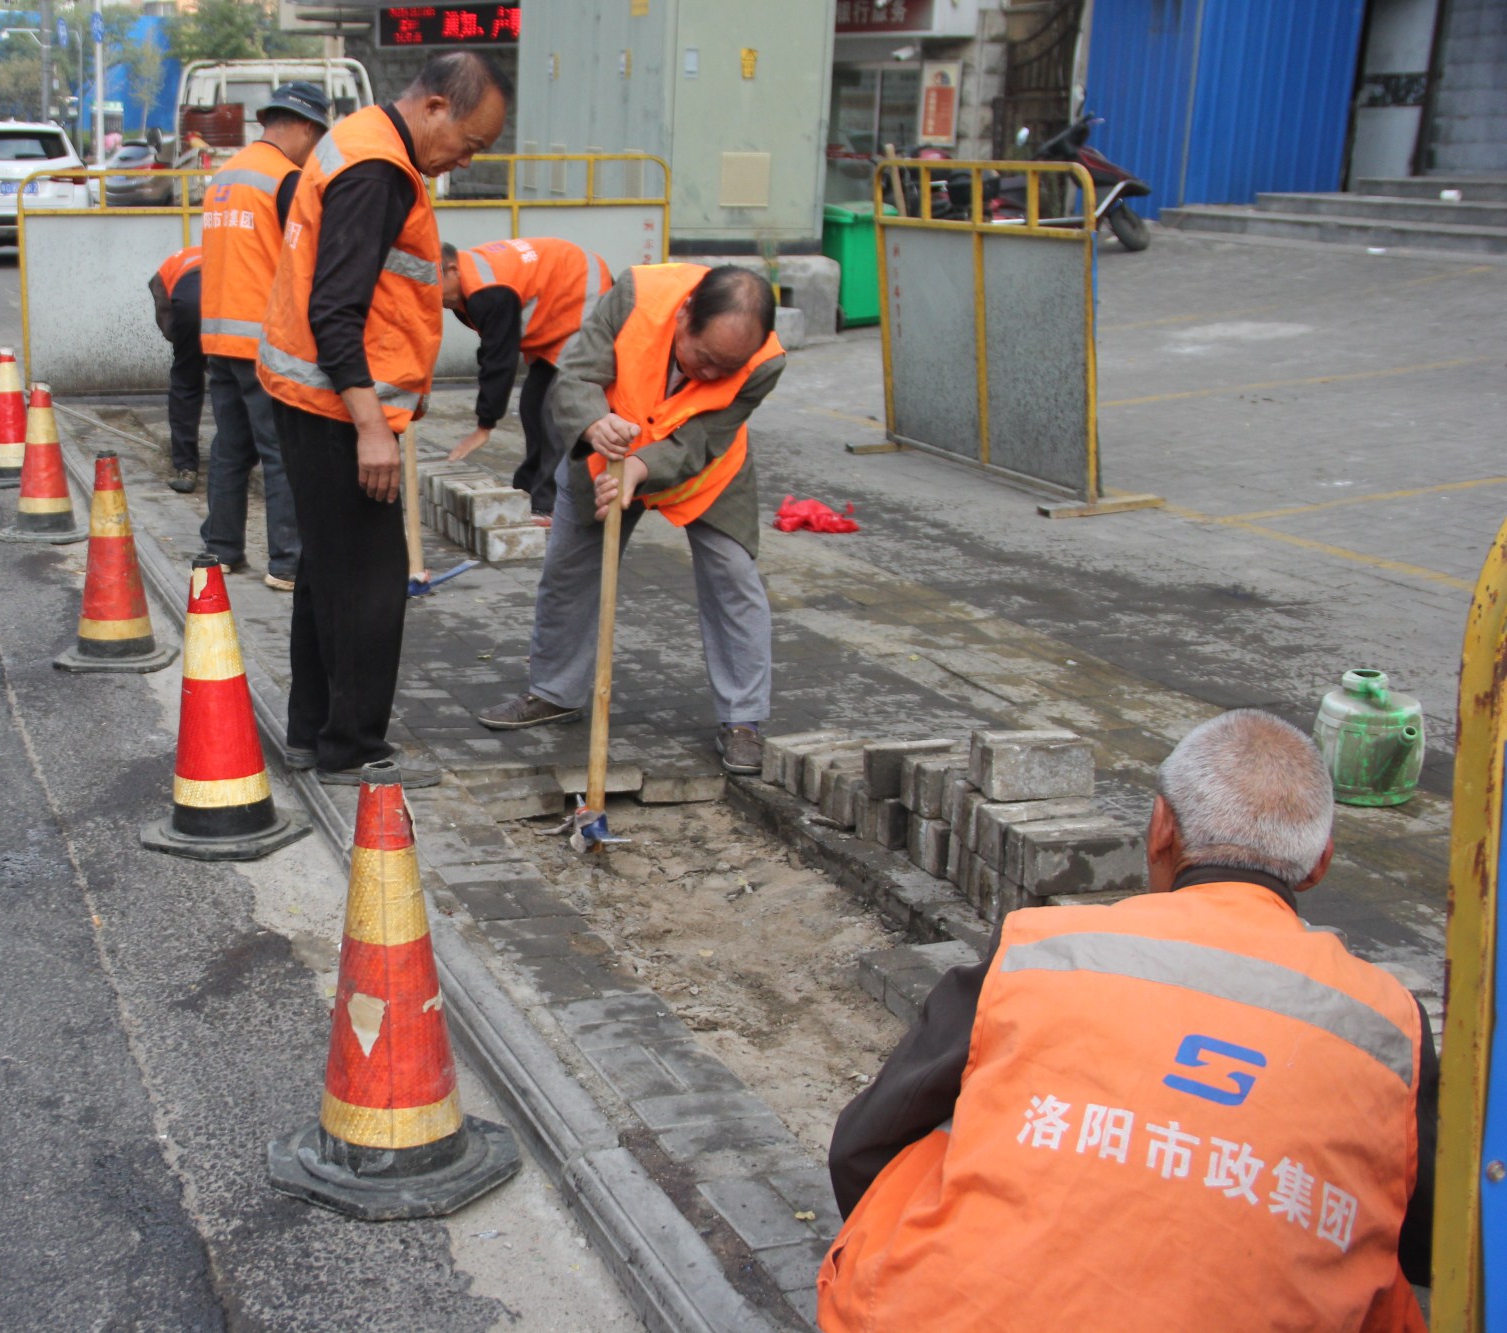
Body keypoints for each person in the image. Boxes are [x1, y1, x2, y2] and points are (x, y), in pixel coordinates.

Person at [817, 709, 1436, 1332]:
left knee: (953, 1122)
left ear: (1161, 827)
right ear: (1320, 862)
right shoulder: (1387, 1025)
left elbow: (861, 1147)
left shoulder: (1045, 949)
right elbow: (1427, 1242)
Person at [257, 51, 511, 786]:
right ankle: (352, 749)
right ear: (434, 107)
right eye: (469, 141)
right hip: (340, 410)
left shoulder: (360, 138)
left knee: (327, 571)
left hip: (312, 399)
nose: (466, 160)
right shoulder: (379, 171)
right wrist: (372, 427)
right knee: (371, 582)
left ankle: (312, 733)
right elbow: (335, 310)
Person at [476, 264, 786, 776]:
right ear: (684, 314)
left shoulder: (766, 363)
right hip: (605, 451)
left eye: (725, 369)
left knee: (733, 576)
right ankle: (555, 692)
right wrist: (593, 424)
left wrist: (643, 467)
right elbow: (575, 375)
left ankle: (743, 720)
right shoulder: (638, 294)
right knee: (570, 570)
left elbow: (705, 437)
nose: (710, 375)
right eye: (704, 358)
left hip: (705, 469)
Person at [196, 80, 330, 590]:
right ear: (305, 127)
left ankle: (222, 548)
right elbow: (304, 262)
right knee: (281, 452)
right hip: (263, 341)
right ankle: (287, 563)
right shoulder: (285, 180)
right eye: (317, 137)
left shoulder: (225, 176)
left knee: (231, 446)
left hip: (218, 335)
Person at [439, 238, 613, 521]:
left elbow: (500, 359)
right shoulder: (466, 290)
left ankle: (551, 504)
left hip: (583, 296)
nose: (431, 297)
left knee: (559, 408)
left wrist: (485, 425)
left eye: (433, 285)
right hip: (558, 310)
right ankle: (527, 488)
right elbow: (493, 349)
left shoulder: (488, 293)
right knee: (532, 404)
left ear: (452, 270)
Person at [149, 245, 206, 488]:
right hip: (227, 303)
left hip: (190, 307)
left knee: (186, 382)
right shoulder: (222, 252)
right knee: (233, 383)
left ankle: (186, 468)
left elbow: (165, 312)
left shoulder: (169, 267)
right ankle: (239, 461)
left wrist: (183, 343)